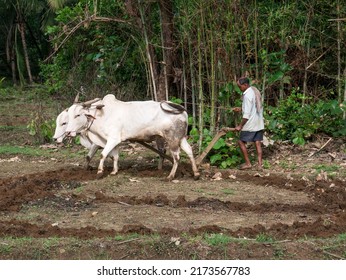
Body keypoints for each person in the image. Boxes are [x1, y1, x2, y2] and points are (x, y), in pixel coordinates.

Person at [234, 77, 264, 170]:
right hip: (259, 122)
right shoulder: (254, 91)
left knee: (241, 141)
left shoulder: (247, 96)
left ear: (245, 85)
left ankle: (248, 163)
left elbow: (246, 115)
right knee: (257, 142)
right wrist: (241, 109)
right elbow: (252, 107)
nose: (239, 88)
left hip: (250, 123)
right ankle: (259, 165)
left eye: (240, 86)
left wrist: (240, 126)